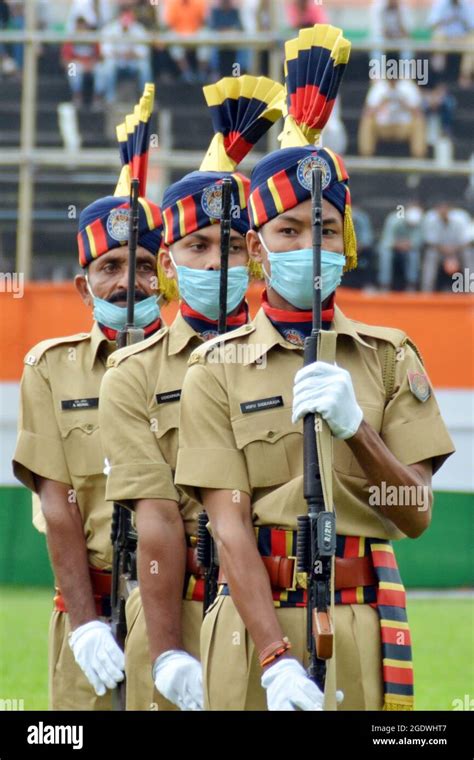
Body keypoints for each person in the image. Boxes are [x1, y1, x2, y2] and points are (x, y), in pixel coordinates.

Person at [175, 24, 455, 712]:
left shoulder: (389, 356)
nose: (311, 243)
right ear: (260, 247)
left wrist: (358, 429)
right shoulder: (216, 367)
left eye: (325, 228)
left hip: (361, 628)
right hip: (249, 630)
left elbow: (415, 513)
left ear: (346, 236)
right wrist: (275, 661)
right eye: (290, 231)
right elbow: (229, 526)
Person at [99, 75, 284, 711]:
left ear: (254, 255)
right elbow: (154, 518)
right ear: (169, 262)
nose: (217, 263)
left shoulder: (289, 358)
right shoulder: (132, 373)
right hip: (175, 603)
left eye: (232, 246)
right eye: (197, 246)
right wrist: (171, 651)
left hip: (279, 604)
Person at [12, 87, 163, 710]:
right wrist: (84, 623)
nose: (129, 281)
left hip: (181, 611)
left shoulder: (206, 364)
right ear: (83, 284)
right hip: (89, 611)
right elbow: (56, 503)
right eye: (110, 267)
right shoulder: (51, 369)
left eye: (145, 264)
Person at [358, 78, 427, 158]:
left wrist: (404, 103)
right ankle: (366, 156)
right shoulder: (378, 86)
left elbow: (419, 113)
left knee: (419, 121)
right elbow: (366, 113)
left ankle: (419, 157)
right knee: (367, 121)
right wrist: (382, 103)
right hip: (383, 127)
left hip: (403, 127)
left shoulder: (408, 86)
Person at [101, 7, 152, 104]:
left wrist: (132, 54)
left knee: (144, 66)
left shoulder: (139, 29)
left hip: (133, 62)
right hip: (117, 61)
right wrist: (119, 54)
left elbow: (144, 52)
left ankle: (146, 99)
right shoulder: (111, 29)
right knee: (108, 66)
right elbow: (105, 50)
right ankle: (109, 98)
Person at [421, 201, 473, 291]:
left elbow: (468, 241)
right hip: (440, 251)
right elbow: (430, 242)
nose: (443, 212)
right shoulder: (430, 218)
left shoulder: (461, 217)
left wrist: (453, 250)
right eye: (440, 209)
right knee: (431, 254)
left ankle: (472, 289)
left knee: (468, 253)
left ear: (450, 209)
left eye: (445, 209)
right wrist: (445, 250)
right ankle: (426, 291)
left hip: (459, 250)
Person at [378, 202, 424, 291]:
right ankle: (385, 285)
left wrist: (408, 245)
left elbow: (418, 241)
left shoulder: (420, 221)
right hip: (392, 248)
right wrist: (398, 244)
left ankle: (411, 285)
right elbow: (386, 240)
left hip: (409, 249)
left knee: (414, 254)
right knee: (385, 253)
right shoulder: (393, 219)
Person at [428, 0, 474, 88]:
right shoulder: (440, 3)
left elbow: (472, 26)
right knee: (438, 35)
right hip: (446, 38)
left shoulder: (466, 4)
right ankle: (439, 71)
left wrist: (461, 19)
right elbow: (432, 24)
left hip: (462, 39)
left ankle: (465, 75)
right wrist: (448, 19)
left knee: (472, 40)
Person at [61, 16, 102, 108]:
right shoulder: (71, 38)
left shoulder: (92, 38)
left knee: (101, 69)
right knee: (72, 68)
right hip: (77, 63)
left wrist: (91, 63)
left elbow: (99, 56)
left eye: (83, 26)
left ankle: (97, 97)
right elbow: (66, 58)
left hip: (91, 63)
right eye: (79, 26)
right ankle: (77, 96)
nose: (81, 29)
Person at [163, 0, 209, 83]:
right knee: (171, 36)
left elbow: (204, 21)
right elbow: (169, 24)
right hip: (179, 34)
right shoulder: (172, 3)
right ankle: (187, 73)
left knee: (206, 35)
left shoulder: (199, 2)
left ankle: (201, 73)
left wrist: (191, 34)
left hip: (195, 33)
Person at [208, 0, 246, 79]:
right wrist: (226, 29)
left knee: (242, 51)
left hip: (232, 44)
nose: (225, 3)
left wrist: (228, 30)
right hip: (219, 44)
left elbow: (240, 27)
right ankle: (215, 74)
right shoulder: (216, 12)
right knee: (214, 53)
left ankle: (238, 74)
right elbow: (213, 27)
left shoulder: (234, 12)